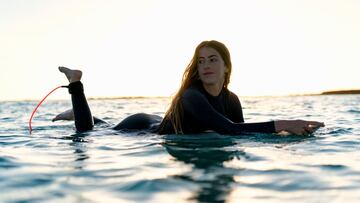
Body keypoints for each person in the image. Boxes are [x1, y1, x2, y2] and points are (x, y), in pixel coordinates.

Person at [53, 40, 324, 135]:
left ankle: (81, 112)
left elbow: (240, 135)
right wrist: (284, 124)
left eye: (213, 60)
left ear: (226, 67)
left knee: (98, 126)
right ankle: (76, 84)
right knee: (88, 132)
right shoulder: (191, 96)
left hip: (161, 119)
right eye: (201, 60)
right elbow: (228, 129)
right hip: (140, 127)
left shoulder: (232, 99)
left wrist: (283, 136)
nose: (206, 65)